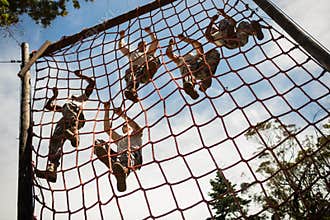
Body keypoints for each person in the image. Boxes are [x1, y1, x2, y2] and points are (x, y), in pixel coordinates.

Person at [35, 70, 95, 182]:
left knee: (68, 109)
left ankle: (74, 135)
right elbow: (48, 106)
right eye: (71, 97)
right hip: (64, 122)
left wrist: (81, 76)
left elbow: (92, 83)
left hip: (77, 117)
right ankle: (52, 169)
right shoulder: (64, 107)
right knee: (55, 140)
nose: (71, 97)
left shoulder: (80, 99)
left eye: (73, 96)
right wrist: (54, 96)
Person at [94, 102, 143, 192]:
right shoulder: (120, 139)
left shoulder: (136, 135)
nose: (124, 125)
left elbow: (137, 127)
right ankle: (114, 167)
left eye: (126, 124)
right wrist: (107, 110)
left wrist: (121, 114)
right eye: (123, 125)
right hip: (119, 157)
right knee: (99, 143)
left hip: (133, 156)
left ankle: (124, 172)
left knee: (126, 154)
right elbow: (107, 129)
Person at [166, 34, 220, 99]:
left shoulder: (196, 56)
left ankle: (205, 81)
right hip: (191, 74)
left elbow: (198, 45)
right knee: (187, 69)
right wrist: (171, 45)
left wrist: (184, 39)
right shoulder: (179, 60)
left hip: (200, 68)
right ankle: (190, 84)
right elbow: (169, 54)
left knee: (215, 52)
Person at [119, 27, 161, 102]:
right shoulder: (132, 54)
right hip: (134, 74)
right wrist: (122, 37)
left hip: (145, 72)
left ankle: (149, 74)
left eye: (145, 45)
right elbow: (121, 47)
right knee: (133, 69)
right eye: (141, 45)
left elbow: (155, 42)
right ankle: (132, 92)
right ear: (138, 46)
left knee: (155, 60)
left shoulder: (148, 53)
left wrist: (150, 32)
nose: (143, 46)